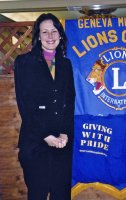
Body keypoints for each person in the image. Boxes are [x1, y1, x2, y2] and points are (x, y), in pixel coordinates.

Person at [14, 13, 75, 200]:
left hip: (61, 143)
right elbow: (25, 105)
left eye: (54, 31)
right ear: (38, 36)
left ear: (60, 35)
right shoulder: (24, 63)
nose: (50, 36)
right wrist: (46, 136)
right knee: (38, 194)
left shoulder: (66, 64)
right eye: (45, 32)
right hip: (35, 142)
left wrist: (64, 133)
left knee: (61, 195)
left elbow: (69, 101)